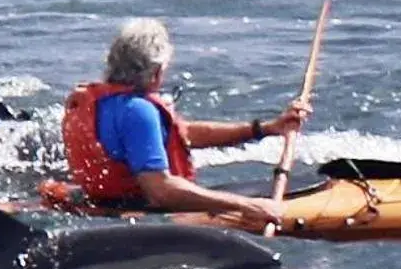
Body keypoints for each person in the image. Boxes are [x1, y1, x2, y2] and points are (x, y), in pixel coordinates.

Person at [61, 18, 310, 232]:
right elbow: (161, 191)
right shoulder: (138, 111)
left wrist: (265, 129)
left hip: (98, 207)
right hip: (137, 218)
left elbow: (181, 133)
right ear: (156, 72)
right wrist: (248, 206)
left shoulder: (102, 102)